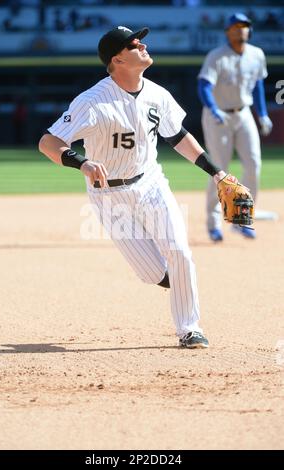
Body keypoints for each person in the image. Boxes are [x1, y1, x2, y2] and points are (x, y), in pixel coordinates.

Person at [39, 26, 240, 349]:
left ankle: (189, 328)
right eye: (134, 44)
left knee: (180, 252)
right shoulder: (92, 101)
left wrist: (216, 173)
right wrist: (82, 163)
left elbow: (177, 136)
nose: (143, 45)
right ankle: (180, 285)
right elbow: (48, 142)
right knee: (151, 273)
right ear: (118, 59)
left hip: (151, 184)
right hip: (109, 195)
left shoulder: (157, 94)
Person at [198, 13, 273, 242]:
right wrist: (212, 108)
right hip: (217, 116)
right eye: (236, 26)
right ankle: (213, 223)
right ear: (228, 31)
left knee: (253, 165)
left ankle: (242, 220)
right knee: (219, 170)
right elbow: (203, 85)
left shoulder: (256, 54)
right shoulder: (216, 56)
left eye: (245, 26)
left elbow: (258, 85)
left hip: (243, 113)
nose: (241, 29)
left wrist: (262, 114)